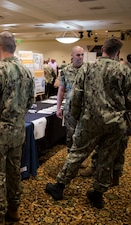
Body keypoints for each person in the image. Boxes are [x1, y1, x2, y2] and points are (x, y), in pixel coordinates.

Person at [45, 37, 131, 209]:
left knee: (77, 153)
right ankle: (97, 193)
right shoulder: (125, 71)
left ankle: (59, 186)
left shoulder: (88, 68)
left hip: (90, 121)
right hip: (115, 123)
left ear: (102, 49)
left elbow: (76, 95)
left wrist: (74, 118)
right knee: (107, 157)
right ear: (118, 53)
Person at [0, 31, 35, 224]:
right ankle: (13, 210)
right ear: (14, 47)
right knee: (13, 172)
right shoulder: (27, 72)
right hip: (18, 133)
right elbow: (30, 101)